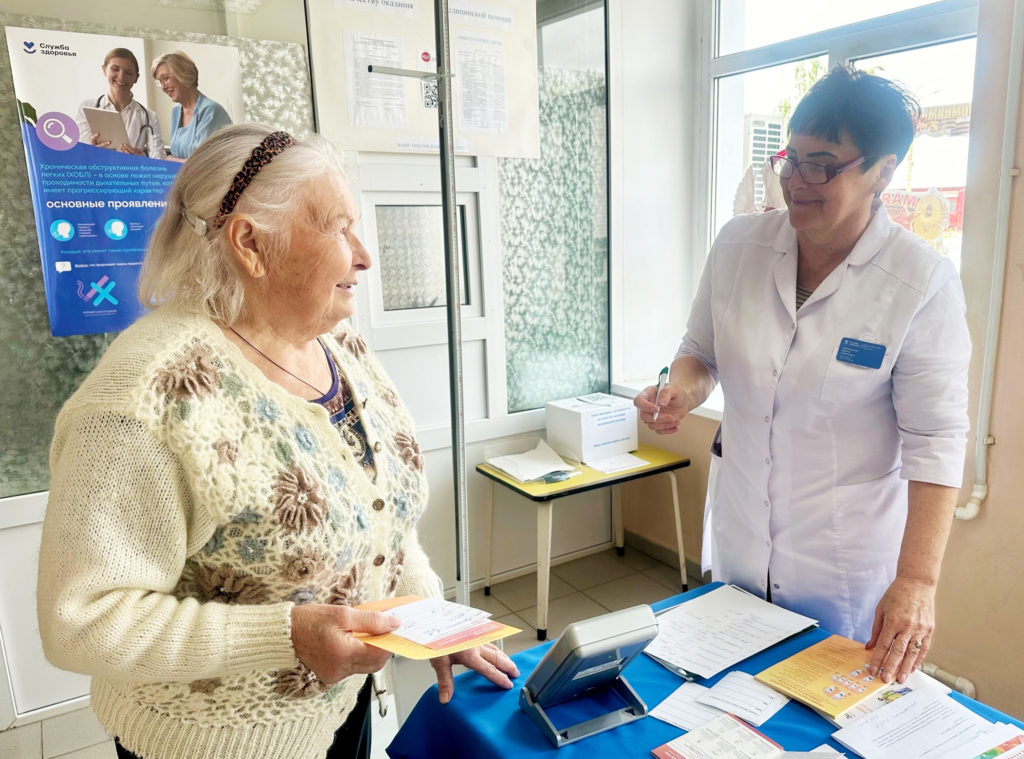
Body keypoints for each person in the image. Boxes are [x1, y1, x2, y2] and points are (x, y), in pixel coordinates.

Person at [36, 124, 518, 759]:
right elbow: (81, 620)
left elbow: (384, 525)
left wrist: (433, 623)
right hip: (213, 744)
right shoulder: (143, 401)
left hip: (340, 710)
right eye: (339, 229)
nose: (364, 256)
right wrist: (288, 635)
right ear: (251, 243)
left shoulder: (338, 345)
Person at [634, 66, 970, 687]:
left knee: (821, 713)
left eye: (821, 165)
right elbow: (700, 352)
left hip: (841, 564)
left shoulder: (920, 281)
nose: (794, 181)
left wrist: (917, 581)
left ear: (883, 172)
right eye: (790, 159)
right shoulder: (738, 246)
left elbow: (937, 441)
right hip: (740, 538)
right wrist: (681, 390)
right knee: (725, 703)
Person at [76, 48, 164, 159]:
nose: (121, 77)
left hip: (133, 170)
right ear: (104, 70)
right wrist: (91, 152)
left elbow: (159, 159)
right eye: (115, 69)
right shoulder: (87, 107)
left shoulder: (150, 117)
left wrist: (143, 159)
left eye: (128, 73)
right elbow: (81, 153)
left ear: (136, 78)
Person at [152, 51, 232, 160]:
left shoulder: (211, 111)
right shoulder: (176, 112)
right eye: (159, 82)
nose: (163, 87)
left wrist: (171, 160)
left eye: (165, 78)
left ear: (184, 75)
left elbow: (205, 163)